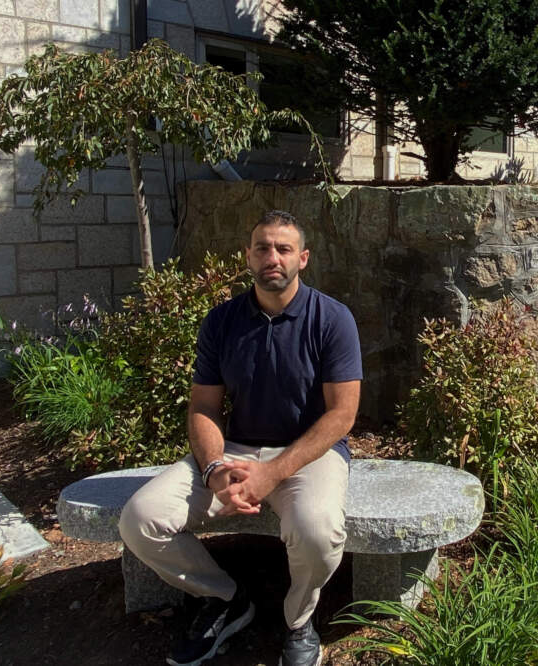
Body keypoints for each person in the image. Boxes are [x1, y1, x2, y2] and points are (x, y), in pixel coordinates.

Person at [119, 210, 362, 666]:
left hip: (311, 454)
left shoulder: (332, 319)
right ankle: (226, 598)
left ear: (303, 258)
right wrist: (213, 470)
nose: (273, 257)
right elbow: (204, 407)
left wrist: (272, 473)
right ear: (248, 256)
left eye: (284, 249)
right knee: (141, 518)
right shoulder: (222, 321)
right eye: (263, 248)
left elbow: (342, 415)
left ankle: (298, 621)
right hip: (235, 451)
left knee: (317, 532)